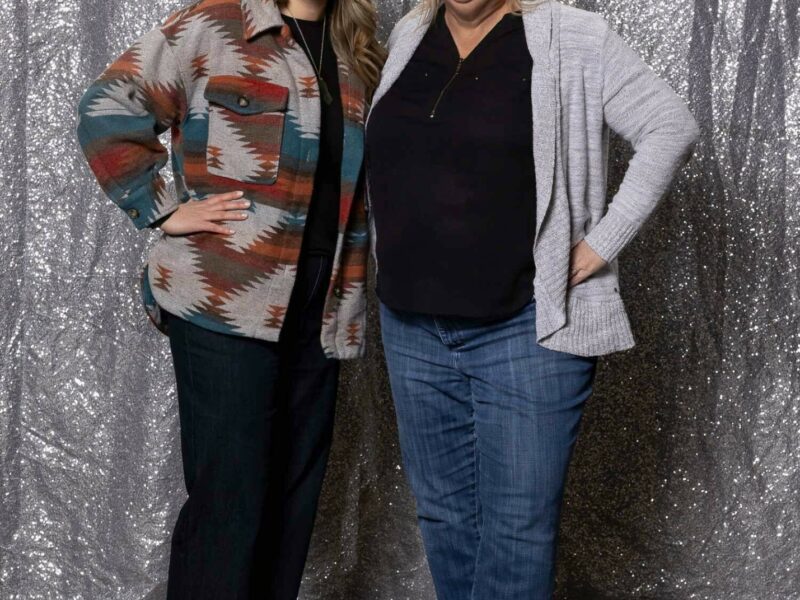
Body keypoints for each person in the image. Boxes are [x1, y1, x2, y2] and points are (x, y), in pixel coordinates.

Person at [364, 0, 700, 598]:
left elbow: (670, 127)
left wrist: (601, 243)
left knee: (515, 532)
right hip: (411, 328)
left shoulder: (573, 36)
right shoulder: (412, 33)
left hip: (525, 329)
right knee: (444, 516)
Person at [75, 0, 384, 597]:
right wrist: (164, 209)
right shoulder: (214, 24)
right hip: (225, 299)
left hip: (322, 306)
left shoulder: (355, 50)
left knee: (292, 506)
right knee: (231, 509)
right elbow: (106, 106)